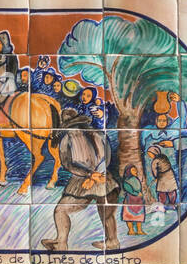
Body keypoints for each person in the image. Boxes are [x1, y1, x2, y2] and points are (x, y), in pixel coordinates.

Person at [40, 108, 119, 251]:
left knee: (61, 210)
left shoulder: (66, 139)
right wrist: (98, 174)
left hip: (82, 182)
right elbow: (107, 156)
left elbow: (67, 163)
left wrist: (89, 175)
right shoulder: (99, 134)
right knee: (106, 212)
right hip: (104, 179)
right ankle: (112, 241)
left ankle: (61, 242)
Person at [149, 141, 179, 212]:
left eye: (150, 154)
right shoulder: (164, 156)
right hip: (170, 174)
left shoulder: (155, 160)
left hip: (162, 177)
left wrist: (156, 177)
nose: (150, 156)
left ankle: (161, 206)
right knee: (171, 190)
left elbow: (154, 169)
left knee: (162, 192)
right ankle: (172, 204)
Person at [119, 163, 147, 236]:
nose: (136, 171)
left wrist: (140, 194)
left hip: (139, 200)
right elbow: (128, 188)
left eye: (135, 170)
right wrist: (136, 193)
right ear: (129, 171)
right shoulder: (126, 181)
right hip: (129, 200)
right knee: (129, 216)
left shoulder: (136, 179)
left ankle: (139, 230)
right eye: (133, 170)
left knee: (139, 216)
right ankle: (131, 230)